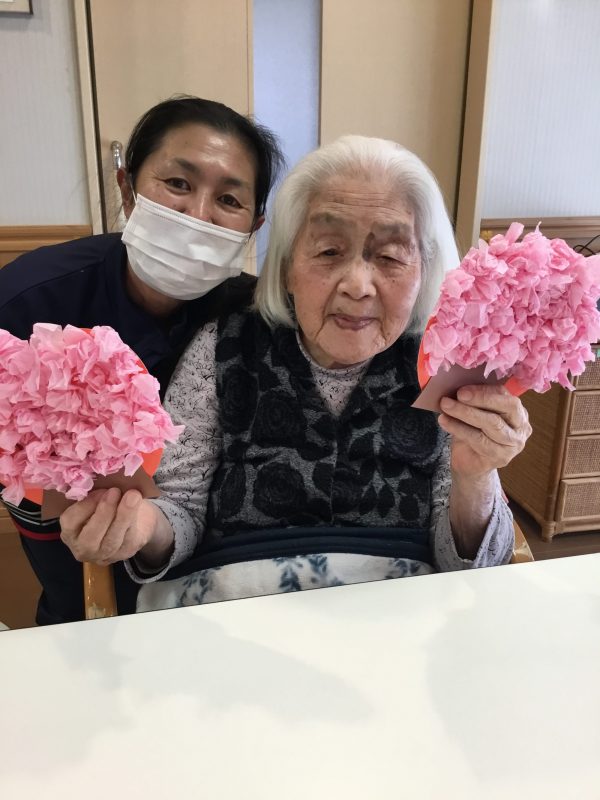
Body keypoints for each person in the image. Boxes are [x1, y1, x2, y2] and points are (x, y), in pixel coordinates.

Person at [59, 135, 531, 611]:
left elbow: (467, 566)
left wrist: (475, 476)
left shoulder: (446, 362)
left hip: (396, 620)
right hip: (239, 613)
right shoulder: (225, 345)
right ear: (286, 266)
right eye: (328, 251)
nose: (358, 285)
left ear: (423, 270)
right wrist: (139, 526)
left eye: (390, 256)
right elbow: (179, 507)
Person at [0, 95, 283, 623]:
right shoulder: (29, 303)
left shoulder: (253, 317)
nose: (197, 215)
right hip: (69, 555)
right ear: (128, 190)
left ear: (255, 223)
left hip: (208, 581)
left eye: (228, 199)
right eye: (177, 183)